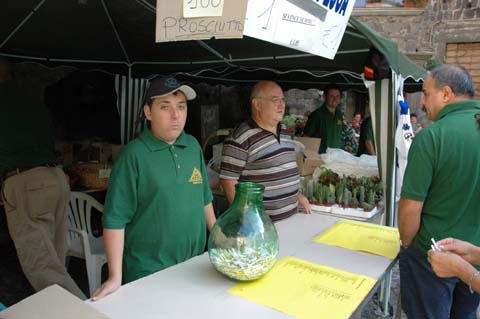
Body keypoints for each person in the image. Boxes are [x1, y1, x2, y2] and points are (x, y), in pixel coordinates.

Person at [92, 77, 216, 300]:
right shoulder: (134, 155)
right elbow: (114, 219)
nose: (176, 115)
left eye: (181, 107)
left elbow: (204, 198)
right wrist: (114, 277)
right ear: (148, 112)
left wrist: (219, 240)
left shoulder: (192, 146)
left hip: (193, 264)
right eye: (165, 107)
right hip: (149, 272)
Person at [398, 64, 480, 318]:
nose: (422, 102)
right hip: (475, 254)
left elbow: (411, 206)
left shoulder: (432, 137)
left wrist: (408, 243)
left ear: (446, 94)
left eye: (425, 93)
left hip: (431, 253)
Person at [0, 57, 86, 299]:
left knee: (41, 267)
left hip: (25, 182)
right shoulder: (31, 100)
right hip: (55, 178)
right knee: (55, 261)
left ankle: (82, 312)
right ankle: (56, 310)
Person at [219, 81, 311, 221]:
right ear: (257, 104)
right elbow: (228, 181)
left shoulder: (285, 130)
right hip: (263, 228)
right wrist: (247, 219)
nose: (282, 105)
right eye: (275, 100)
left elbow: (283, 169)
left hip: (291, 219)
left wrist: (297, 196)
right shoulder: (240, 138)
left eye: (282, 100)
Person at [303, 83, 345, 153]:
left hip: (336, 156)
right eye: (332, 96)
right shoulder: (317, 115)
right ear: (325, 97)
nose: (335, 99)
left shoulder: (339, 114)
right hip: (321, 156)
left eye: (337, 96)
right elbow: (306, 137)